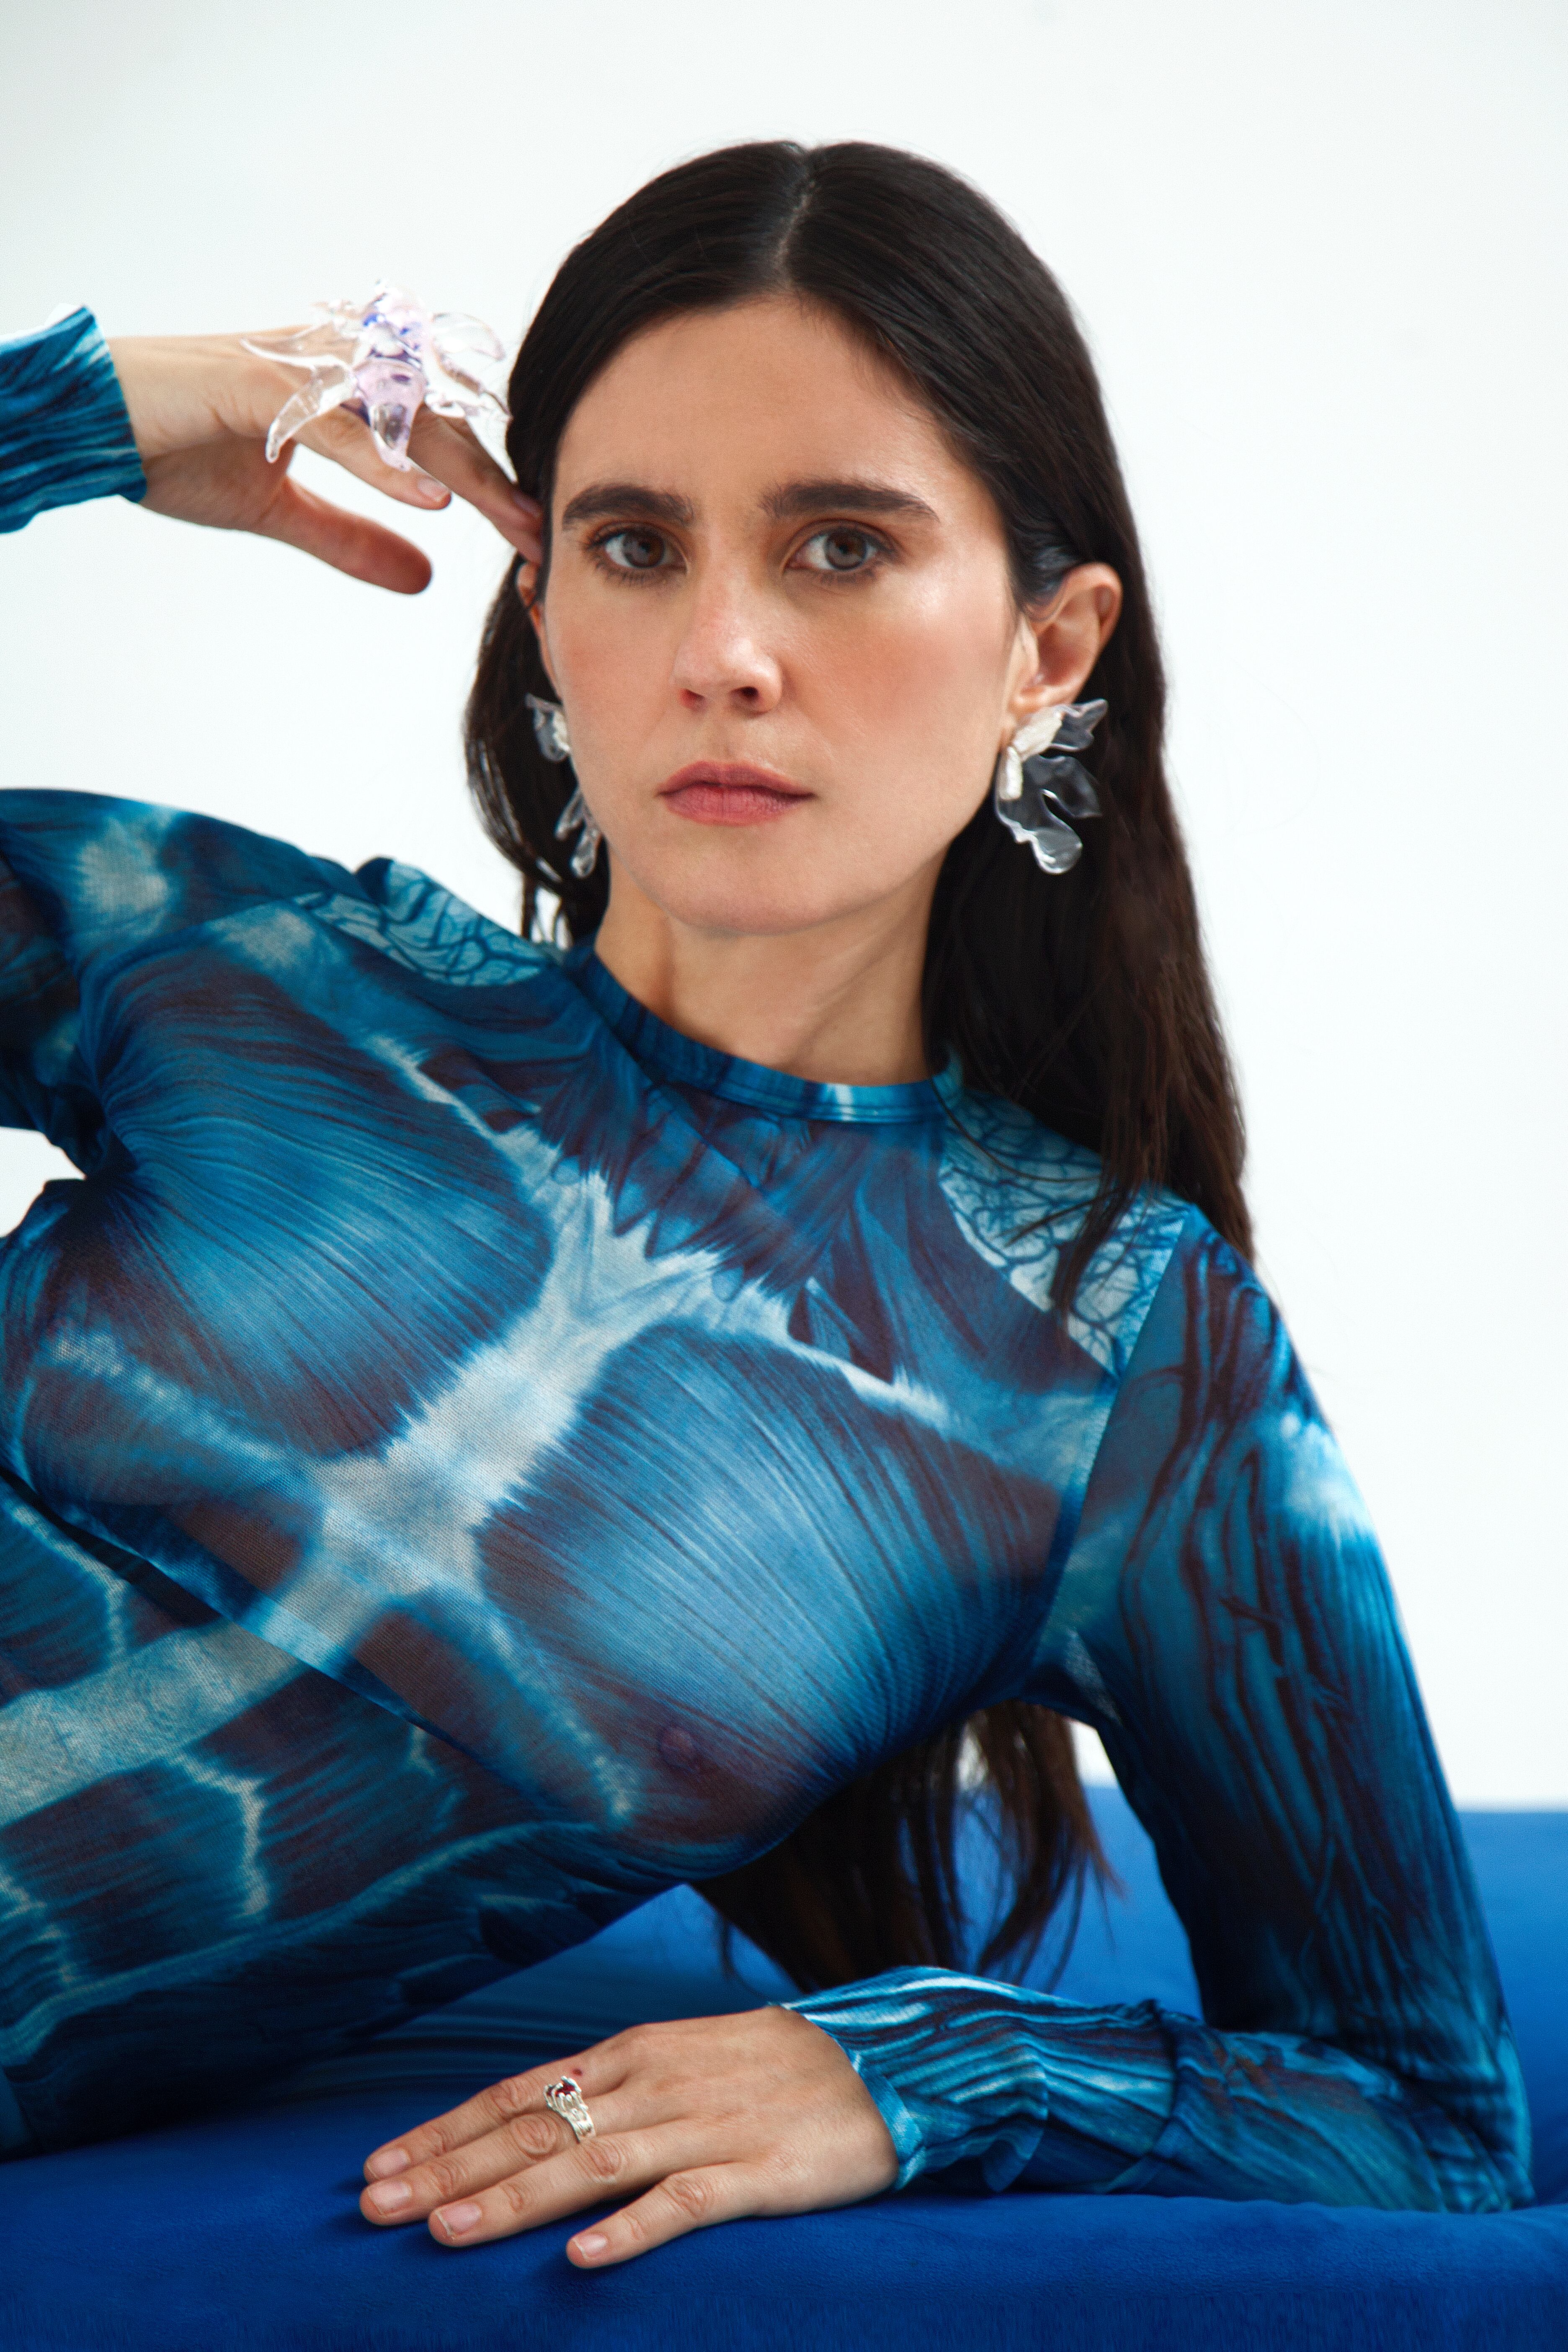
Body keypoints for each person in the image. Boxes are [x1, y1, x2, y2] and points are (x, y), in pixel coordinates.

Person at [0, 141, 1530, 2263]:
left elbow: (1426, 2120)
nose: (721, 650)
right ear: (543, 609)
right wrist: (82, 409)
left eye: (840, 547)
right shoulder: (238, 968)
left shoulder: (1121, 1364)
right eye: (633, 545)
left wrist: (935, 2066)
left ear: (1050, 645)